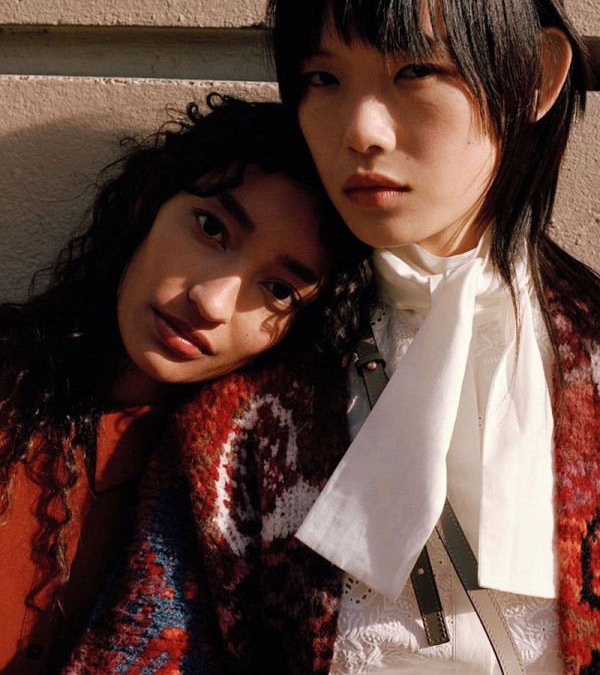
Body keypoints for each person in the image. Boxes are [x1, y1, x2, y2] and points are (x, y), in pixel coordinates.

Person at [85, 0, 599, 673]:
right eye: (322, 79)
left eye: (415, 70)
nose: (360, 130)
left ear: (536, 77)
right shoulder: (242, 410)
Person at [0, 93, 371, 675]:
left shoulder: (257, 506)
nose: (211, 302)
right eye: (211, 228)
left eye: (278, 290)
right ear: (148, 201)